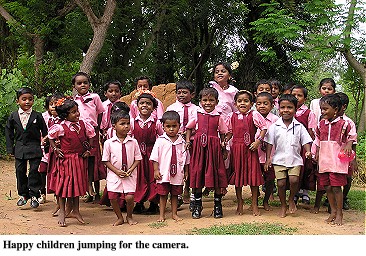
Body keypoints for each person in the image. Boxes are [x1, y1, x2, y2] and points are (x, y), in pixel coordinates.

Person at [48, 98, 96, 226]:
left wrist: (88, 150)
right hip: (66, 160)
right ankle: (62, 211)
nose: (77, 114)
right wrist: (55, 149)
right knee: (64, 185)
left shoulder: (84, 124)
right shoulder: (60, 127)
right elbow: (51, 137)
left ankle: (76, 210)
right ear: (65, 115)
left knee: (76, 185)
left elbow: (91, 136)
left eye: (77, 111)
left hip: (79, 159)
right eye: (73, 112)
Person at [264, 94, 312, 218]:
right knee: (280, 183)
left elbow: (306, 140)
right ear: (278, 109)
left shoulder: (299, 126)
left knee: (294, 180)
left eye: (289, 107)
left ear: (295, 109)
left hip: (295, 159)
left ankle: (291, 199)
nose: (286, 110)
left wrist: (308, 151)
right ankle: (283, 205)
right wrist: (268, 158)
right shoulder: (274, 126)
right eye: (283, 107)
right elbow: (269, 143)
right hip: (278, 159)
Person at [185, 87, 228, 219]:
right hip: (199, 148)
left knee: (215, 173)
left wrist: (223, 145)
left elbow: (223, 132)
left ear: (216, 101)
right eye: (205, 100)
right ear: (200, 101)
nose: (208, 103)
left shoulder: (218, 117)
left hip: (213, 149)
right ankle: (197, 206)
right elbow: (189, 128)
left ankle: (217, 206)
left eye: (211, 100)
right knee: (198, 173)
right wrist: (188, 141)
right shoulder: (197, 115)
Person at [314, 94, 356, 225]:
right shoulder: (321, 124)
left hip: (337, 162)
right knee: (327, 186)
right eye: (321, 109)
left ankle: (339, 213)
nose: (323, 112)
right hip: (324, 160)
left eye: (326, 109)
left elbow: (352, 137)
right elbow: (317, 140)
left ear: (336, 109)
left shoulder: (345, 124)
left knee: (337, 188)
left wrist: (349, 144)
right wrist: (316, 153)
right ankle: (332, 211)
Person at [225, 90, 267, 216]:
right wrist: (224, 141)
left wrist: (258, 141)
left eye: (246, 101)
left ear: (251, 103)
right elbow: (229, 132)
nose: (242, 103)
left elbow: (263, 128)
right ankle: (240, 202)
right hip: (237, 149)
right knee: (238, 176)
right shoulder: (231, 116)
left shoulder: (254, 114)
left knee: (253, 176)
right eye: (239, 101)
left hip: (250, 149)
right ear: (235, 103)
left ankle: (254, 204)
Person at [5, 87, 48, 209]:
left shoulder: (37, 116)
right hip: (19, 148)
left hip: (35, 148)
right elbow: (8, 133)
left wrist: (46, 146)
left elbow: (45, 132)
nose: (27, 102)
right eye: (24, 99)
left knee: (34, 171)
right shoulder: (13, 116)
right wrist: (10, 149)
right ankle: (23, 195)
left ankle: (34, 195)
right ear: (18, 101)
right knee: (20, 171)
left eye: (30, 99)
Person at [102, 110, 142, 226]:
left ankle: (129, 216)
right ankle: (119, 217)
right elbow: (106, 160)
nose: (126, 126)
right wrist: (116, 171)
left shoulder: (133, 142)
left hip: (129, 174)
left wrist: (131, 169)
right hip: (114, 174)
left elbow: (138, 159)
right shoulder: (108, 143)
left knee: (129, 197)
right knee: (113, 197)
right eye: (122, 124)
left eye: (128, 123)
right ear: (114, 126)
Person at [72, 72, 106, 203]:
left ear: (89, 84)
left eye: (85, 82)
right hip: (79, 133)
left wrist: (96, 127)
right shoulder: (72, 101)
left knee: (93, 158)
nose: (82, 85)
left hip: (93, 132)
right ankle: (86, 186)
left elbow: (100, 112)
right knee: (82, 159)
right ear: (74, 86)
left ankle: (93, 187)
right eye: (79, 83)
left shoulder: (95, 97)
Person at [150, 111, 190, 222]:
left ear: (179, 126)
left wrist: (186, 172)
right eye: (168, 126)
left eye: (174, 126)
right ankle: (161, 215)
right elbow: (155, 157)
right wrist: (156, 170)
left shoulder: (182, 142)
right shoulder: (160, 141)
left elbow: (186, 158)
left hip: (177, 173)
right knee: (163, 195)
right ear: (163, 127)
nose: (171, 129)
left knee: (175, 194)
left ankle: (174, 214)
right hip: (164, 173)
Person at [166, 80, 199, 206]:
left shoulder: (196, 109)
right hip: (177, 141)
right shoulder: (171, 108)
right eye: (179, 92)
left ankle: (188, 190)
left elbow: (198, 124)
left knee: (190, 166)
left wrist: (190, 134)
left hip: (192, 141)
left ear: (192, 95)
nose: (181, 95)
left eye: (185, 93)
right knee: (178, 165)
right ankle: (177, 193)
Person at [130, 92, 164, 214]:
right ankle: (139, 202)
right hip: (137, 155)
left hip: (152, 155)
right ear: (137, 106)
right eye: (142, 103)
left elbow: (162, 138)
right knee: (139, 178)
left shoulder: (157, 123)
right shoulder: (133, 122)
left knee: (152, 178)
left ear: (154, 107)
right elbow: (129, 137)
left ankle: (154, 204)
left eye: (148, 104)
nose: (145, 106)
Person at [291, 85, 317, 204]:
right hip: (291, 145)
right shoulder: (287, 110)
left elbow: (312, 131)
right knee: (294, 169)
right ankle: (294, 193)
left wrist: (310, 148)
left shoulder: (308, 113)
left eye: (299, 95)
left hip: (304, 146)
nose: (296, 98)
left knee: (305, 169)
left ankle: (305, 192)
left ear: (305, 99)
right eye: (293, 95)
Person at [255, 92, 279, 211]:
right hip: (256, 154)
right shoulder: (252, 117)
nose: (262, 106)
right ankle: (255, 201)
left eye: (265, 103)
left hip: (270, 156)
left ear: (272, 105)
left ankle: (266, 200)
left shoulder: (275, 120)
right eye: (259, 103)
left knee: (269, 179)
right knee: (254, 178)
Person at [336, 92, 357, 210]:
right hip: (332, 156)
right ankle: (331, 200)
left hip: (346, 156)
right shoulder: (327, 120)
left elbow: (353, 141)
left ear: (343, 106)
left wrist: (354, 160)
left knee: (348, 178)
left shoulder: (349, 122)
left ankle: (344, 198)